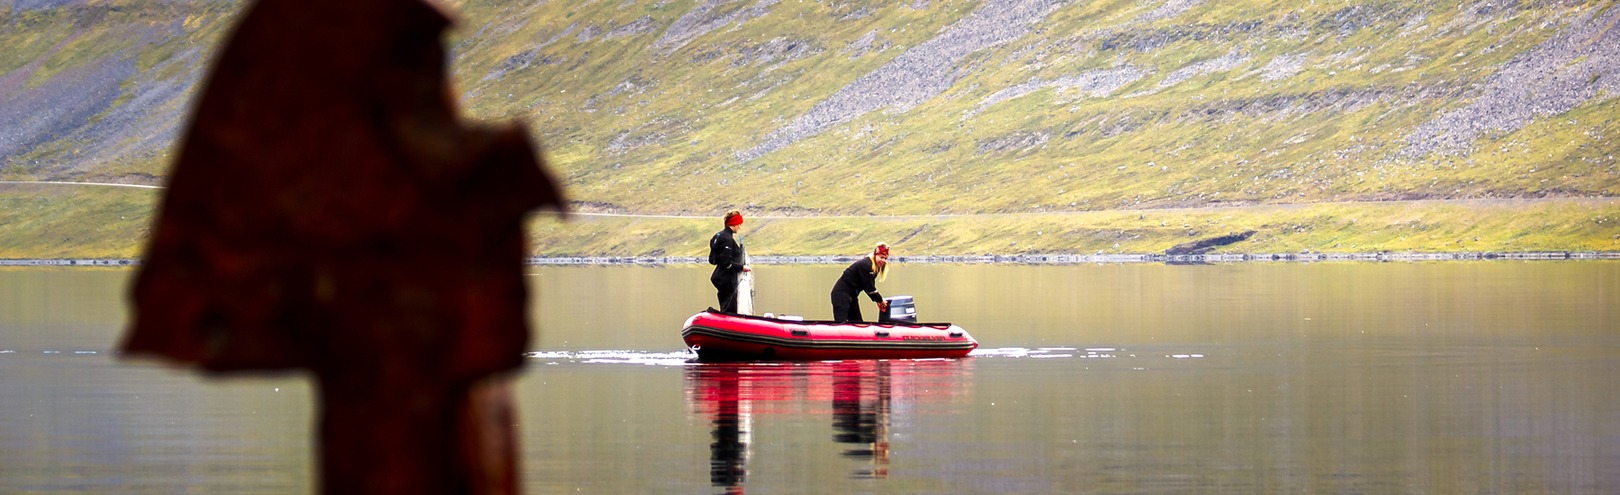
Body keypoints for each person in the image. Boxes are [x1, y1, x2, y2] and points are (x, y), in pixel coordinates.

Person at [829, 243, 891, 323]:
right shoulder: (866, 265)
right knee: (841, 323)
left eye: (885, 258)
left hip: (852, 296)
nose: (883, 260)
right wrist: (880, 300)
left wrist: (878, 301)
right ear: (875, 255)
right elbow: (869, 288)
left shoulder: (875, 267)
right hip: (841, 294)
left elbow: (871, 286)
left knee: (858, 323)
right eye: (881, 257)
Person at [708, 210, 751, 313]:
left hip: (719, 276)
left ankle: (723, 318)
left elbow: (712, 259)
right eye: (739, 224)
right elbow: (726, 263)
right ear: (734, 224)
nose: (739, 227)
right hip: (726, 279)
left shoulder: (718, 236)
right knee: (730, 306)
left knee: (724, 302)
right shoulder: (727, 239)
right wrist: (742, 268)